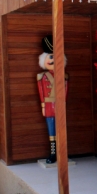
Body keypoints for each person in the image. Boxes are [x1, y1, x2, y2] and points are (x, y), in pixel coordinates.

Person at [37, 35, 68, 164]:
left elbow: (65, 91)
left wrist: (63, 104)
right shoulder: (42, 76)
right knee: (51, 131)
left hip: (59, 104)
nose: (53, 60)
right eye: (50, 57)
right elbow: (41, 92)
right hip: (49, 105)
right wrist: (43, 106)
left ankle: (62, 153)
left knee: (61, 129)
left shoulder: (64, 76)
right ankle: (53, 153)